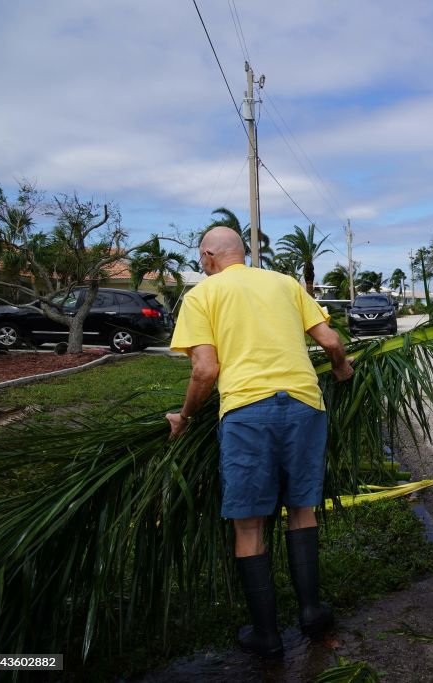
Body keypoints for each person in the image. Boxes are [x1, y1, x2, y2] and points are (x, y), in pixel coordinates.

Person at [166, 227, 353, 659]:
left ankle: (267, 635)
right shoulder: (286, 283)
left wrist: (185, 418)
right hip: (305, 404)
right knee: (301, 508)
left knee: (249, 524)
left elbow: (205, 372)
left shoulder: (202, 295)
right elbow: (330, 341)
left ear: (210, 255)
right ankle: (310, 612)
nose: (202, 264)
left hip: (249, 412)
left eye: (201, 257)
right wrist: (341, 369)